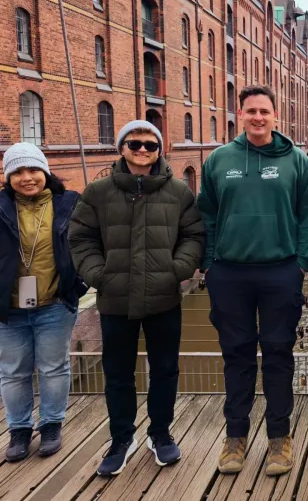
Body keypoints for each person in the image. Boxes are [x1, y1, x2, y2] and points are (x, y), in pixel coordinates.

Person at [69, 121, 204, 476]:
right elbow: (80, 239)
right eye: (135, 143)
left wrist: (178, 268)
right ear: (121, 147)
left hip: (164, 298)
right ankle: (121, 439)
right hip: (115, 300)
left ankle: (160, 433)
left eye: (150, 144)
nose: (142, 149)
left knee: (164, 370)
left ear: (160, 149)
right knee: (117, 374)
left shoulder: (178, 192)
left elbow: (194, 235)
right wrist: (99, 274)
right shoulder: (97, 192)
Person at [197, 84, 308, 476]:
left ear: (275, 116)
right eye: (251, 111)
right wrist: (210, 263)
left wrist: (300, 263)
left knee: (279, 353)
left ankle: (280, 438)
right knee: (237, 354)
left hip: (280, 271)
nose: (258, 118)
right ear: (240, 114)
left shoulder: (296, 161)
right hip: (230, 273)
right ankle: (235, 437)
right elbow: (207, 216)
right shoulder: (219, 160)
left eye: (264, 111)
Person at [0, 143, 86, 462]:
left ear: (45, 172)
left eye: (33, 170)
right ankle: (19, 429)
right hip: (9, 309)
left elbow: (89, 243)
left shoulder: (69, 203)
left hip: (55, 302)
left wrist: (79, 284)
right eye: (18, 171)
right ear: (8, 176)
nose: (27, 178)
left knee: (54, 367)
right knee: (13, 371)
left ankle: (51, 424)